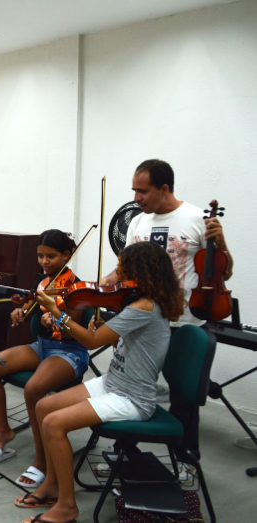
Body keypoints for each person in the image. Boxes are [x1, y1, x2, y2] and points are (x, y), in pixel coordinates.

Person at [16, 241, 182, 523]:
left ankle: (67, 507)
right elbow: (124, 340)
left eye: (123, 270)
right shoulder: (143, 301)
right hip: (113, 382)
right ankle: (53, 485)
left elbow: (91, 343)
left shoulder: (144, 306)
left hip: (131, 398)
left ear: (140, 272)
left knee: (53, 423)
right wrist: (105, 327)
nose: (118, 275)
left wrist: (57, 312)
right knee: (45, 408)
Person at [100, 158, 234, 474]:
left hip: (183, 321)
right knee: (127, 388)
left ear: (164, 188)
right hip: (142, 320)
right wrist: (101, 284)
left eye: (142, 191)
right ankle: (124, 450)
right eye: (134, 189)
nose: (136, 198)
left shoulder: (198, 218)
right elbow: (124, 268)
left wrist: (222, 242)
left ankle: (185, 459)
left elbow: (223, 270)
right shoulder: (137, 222)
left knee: (183, 395)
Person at [0, 230, 89, 489]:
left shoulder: (76, 288)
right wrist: (20, 312)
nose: (44, 261)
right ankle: (3, 431)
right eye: (40, 256)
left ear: (66, 255)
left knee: (33, 389)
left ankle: (41, 460)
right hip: (40, 346)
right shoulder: (44, 281)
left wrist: (56, 318)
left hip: (68, 351)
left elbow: (69, 327)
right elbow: (30, 308)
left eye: (51, 256)